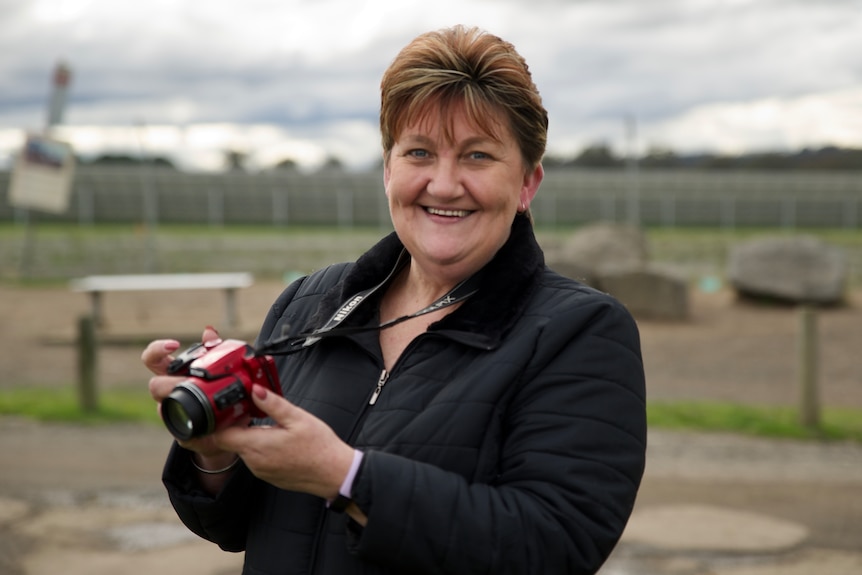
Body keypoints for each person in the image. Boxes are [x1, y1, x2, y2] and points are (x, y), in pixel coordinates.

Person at [143, 24, 646, 575]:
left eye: (477, 156)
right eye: (419, 152)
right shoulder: (309, 305)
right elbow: (238, 526)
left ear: (527, 183)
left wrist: (345, 476)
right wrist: (215, 451)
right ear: (388, 170)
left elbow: (553, 545)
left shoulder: (580, 332)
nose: (444, 183)